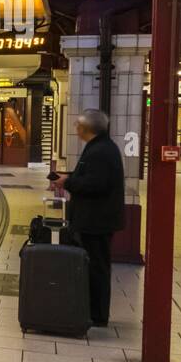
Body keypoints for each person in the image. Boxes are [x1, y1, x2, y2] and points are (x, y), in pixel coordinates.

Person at [54, 109, 125, 327]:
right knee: (94, 265)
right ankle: (92, 310)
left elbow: (96, 185)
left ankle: (98, 315)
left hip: (97, 221)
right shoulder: (99, 148)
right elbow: (90, 177)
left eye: (78, 126)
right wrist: (71, 177)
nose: (76, 129)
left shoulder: (100, 151)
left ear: (86, 129)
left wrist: (68, 183)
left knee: (97, 267)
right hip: (94, 219)